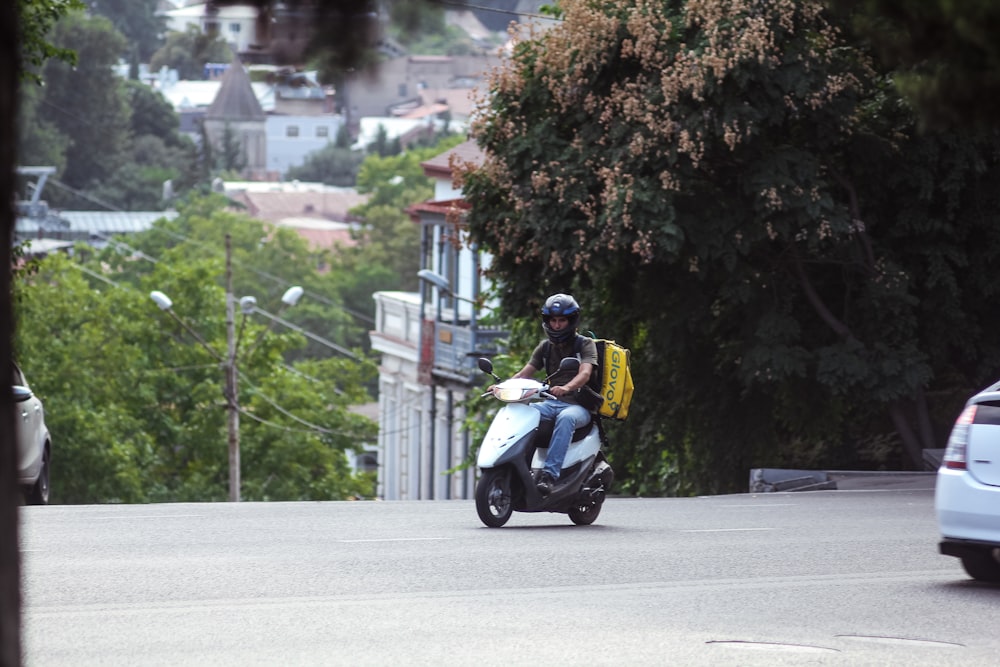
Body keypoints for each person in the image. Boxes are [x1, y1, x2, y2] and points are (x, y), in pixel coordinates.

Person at [510, 293, 598, 496]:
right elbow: (525, 373)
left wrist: (567, 387)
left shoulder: (585, 344)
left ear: (571, 321)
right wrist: (503, 386)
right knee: (525, 414)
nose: (557, 325)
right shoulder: (545, 347)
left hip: (579, 406)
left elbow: (585, 373)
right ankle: (519, 470)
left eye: (562, 320)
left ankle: (549, 476)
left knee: (566, 418)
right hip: (550, 403)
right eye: (553, 320)